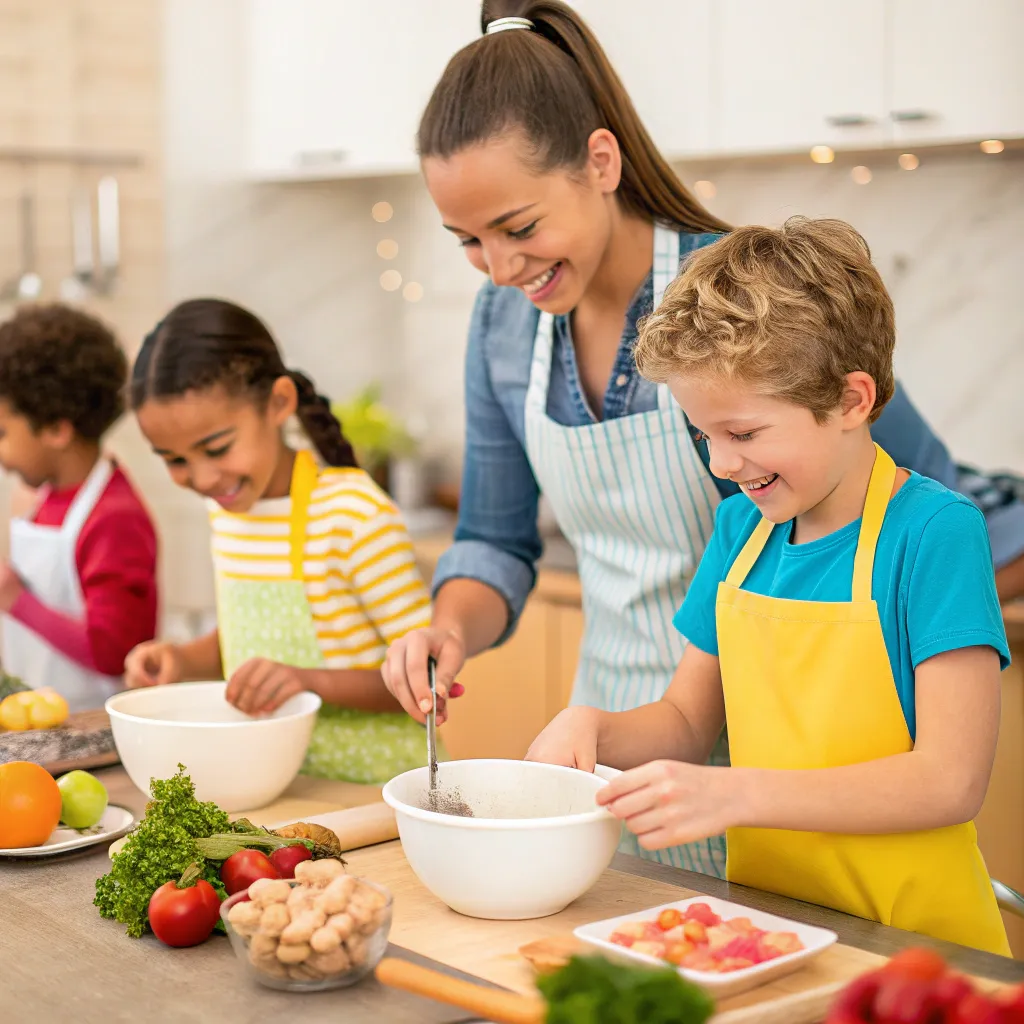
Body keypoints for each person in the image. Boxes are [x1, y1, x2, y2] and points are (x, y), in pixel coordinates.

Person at [382, 0, 1024, 875]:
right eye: (467, 241)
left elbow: (907, 490)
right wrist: (449, 630)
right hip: (624, 750)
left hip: (789, 767)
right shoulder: (504, 326)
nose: (499, 270)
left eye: (519, 228)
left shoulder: (735, 303)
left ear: (599, 162)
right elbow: (494, 537)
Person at [527, 217, 1010, 954]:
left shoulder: (934, 533)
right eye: (703, 435)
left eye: (745, 434)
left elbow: (949, 782)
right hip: (774, 934)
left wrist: (739, 793)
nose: (722, 463)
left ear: (852, 401)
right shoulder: (740, 535)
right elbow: (689, 722)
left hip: (914, 949)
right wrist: (596, 728)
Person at [123, 298, 437, 784]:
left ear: (279, 403)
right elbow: (249, 634)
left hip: (375, 791)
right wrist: (184, 658)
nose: (203, 477)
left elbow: (428, 677)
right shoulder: (227, 511)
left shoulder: (354, 515)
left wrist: (307, 682)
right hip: (275, 785)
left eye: (217, 448)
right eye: (175, 459)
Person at [0, 303, 158, 712]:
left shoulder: (114, 518)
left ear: (56, 429)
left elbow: (113, 652)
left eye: (2, 432)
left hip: (94, 730)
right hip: (43, 721)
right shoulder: (44, 498)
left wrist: (16, 600)